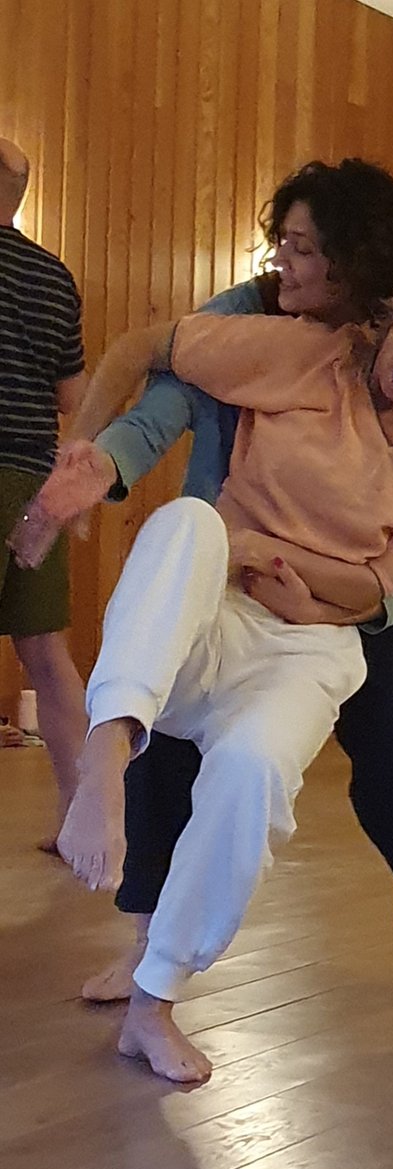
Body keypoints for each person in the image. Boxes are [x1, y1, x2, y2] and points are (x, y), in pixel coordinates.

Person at [42, 231, 393, 1083]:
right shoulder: (307, 354)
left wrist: (294, 576)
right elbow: (147, 351)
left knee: (255, 773)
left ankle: (154, 1007)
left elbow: (381, 580)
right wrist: (85, 453)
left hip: (313, 643)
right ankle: (107, 749)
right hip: (218, 610)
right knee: (187, 525)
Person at [0, 137, 89, 848]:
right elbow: (73, 397)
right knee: (47, 655)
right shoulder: (54, 276)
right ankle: (82, 822)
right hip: (36, 483)